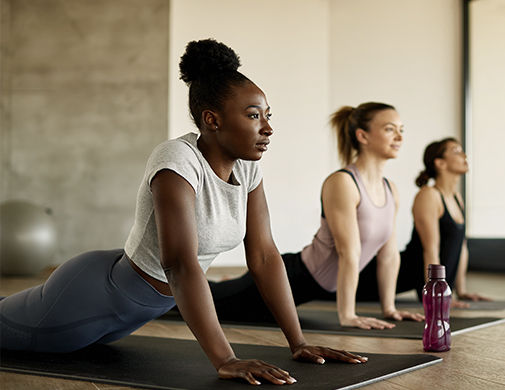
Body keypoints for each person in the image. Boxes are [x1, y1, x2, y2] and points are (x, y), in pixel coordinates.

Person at [0, 38, 367, 386]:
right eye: (254, 115)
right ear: (212, 120)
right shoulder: (176, 159)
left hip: (132, 313)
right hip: (90, 299)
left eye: (268, 115)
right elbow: (179, 263)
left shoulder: (248, 167)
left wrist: (298, 342)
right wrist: (225, 359)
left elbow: (265, 256)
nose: (268, 128)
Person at [209, 102, 424, 330]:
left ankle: (221, 284)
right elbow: (348, 252)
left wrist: (389, 308)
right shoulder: (344, 182)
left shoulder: (391, 189)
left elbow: (389, 255)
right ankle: (177, 288)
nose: (399, 137)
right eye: (390, 129)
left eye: (402, 130)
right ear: (363, 135)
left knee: (218, 296)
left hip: (312, 288)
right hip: (289, 277)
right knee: (203, 302)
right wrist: (348, 315)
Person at [394, 138, 492, 306]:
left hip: (426, 280)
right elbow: (430, 250)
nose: (464, 155)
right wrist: (436, 294)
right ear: (440, 163)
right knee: (333, 291)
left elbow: (460, 246)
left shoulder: (456, 198)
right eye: (456, 150)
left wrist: (460, 291)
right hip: (400, 274)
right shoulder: (429, 195)